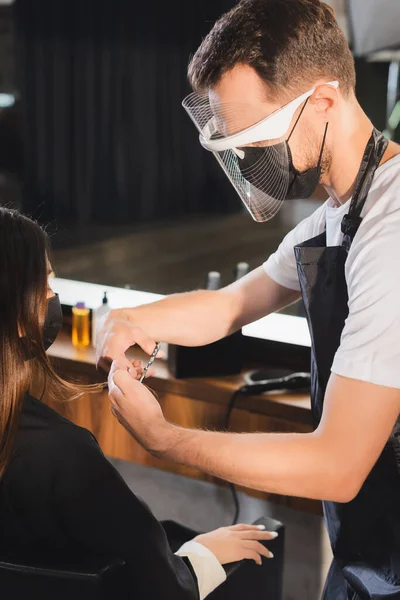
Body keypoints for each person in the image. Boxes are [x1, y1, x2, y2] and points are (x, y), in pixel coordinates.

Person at [99, 1, 400, 598]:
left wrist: (169, 440)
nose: (243, 161)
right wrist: (132, 317)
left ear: (322, 101)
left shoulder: (392, 231)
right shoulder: (336, 219)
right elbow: (232, 305)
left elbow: (338, 465)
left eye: (255, 138)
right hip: (367, 554)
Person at [0, 207, 276, 600]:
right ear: (15, 312)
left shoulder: (48, 452)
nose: (53, 295)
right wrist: (202, 554)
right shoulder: (63, 457)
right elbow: (160, 588)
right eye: (45, 281)